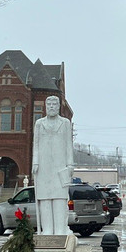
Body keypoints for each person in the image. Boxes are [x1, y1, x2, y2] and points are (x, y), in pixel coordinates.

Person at [32, 95, 73, 235]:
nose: (51, 107)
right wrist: (35, 162)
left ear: (59, 106)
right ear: (45, 106)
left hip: (60, 166)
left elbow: (69, 145)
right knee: (45, 198)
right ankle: (48, 230)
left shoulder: (65, 123)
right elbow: (35, 145)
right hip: (43, 166)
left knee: (59, 198)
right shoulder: (39, 123)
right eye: (48, 104)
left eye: (54, 104)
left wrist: (70, 165)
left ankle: (60, 230)